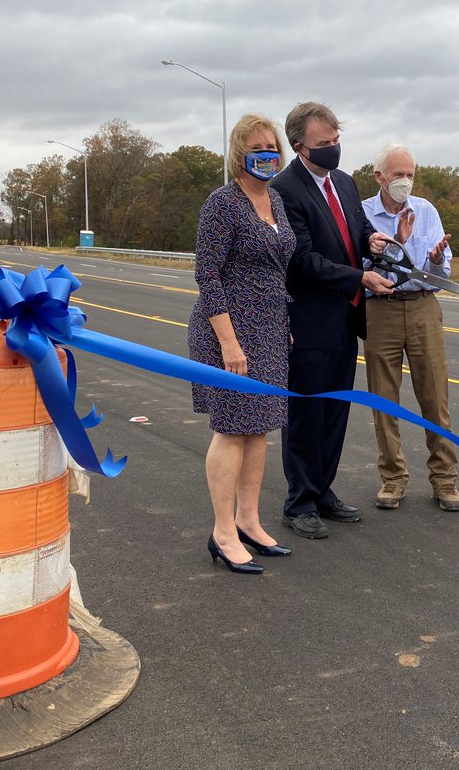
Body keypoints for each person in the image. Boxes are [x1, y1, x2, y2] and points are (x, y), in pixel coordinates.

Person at [271, 102, 392, 539]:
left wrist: (371, 240)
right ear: (299, 146)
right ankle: (299, 501)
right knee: (307, 413)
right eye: (324, 143)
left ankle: (323, 490)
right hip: (308, 322)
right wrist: (360, 276)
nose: (333, 148)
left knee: (336, 411)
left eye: (337, 140)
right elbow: (302, 259)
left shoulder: (343, 181)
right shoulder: (284, 190)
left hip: (345, 318)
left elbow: (355, 230)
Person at [189, 114, 296, 573]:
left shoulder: (275, 199)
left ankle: (248, 520)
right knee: (232, 429)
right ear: (239, 154)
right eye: (257, 148)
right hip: (228, 332)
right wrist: (230, 344)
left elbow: (277, 267)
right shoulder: (223, 202)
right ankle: (223, 532)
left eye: (272, 147)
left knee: (260, 429)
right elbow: (207, 275)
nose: (267, 154)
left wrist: (282, 321)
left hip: (269, 330)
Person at [361, 144, 459, 512]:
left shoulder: (426, 211)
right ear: (380, 177)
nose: (405, 181)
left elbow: (440, 272)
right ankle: (393, 478)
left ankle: (445, 479)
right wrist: (398, 244)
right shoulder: (362, 214)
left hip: (422, 306)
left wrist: (434, 261)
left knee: (435, 397)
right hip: (380, 310)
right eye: (398, 174)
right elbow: (361, 268)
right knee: (383, 400)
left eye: (410, 175)